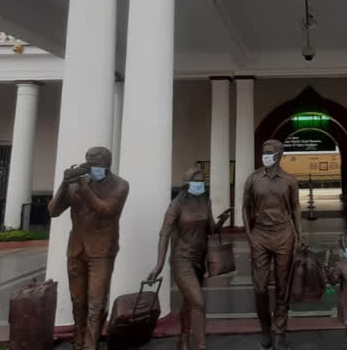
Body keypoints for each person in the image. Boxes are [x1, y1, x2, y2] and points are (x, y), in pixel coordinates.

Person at [48, 146, 129, 350]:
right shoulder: (78, 182)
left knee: (96, 302)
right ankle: (79, 339)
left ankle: (90, 345)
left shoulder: (120, 185)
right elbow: (53, 210)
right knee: (78, 300)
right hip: (76, 248)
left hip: (102, 250)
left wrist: (83, 188)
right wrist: (64, 184)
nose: (94, 169)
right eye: (90, 165)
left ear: (107, 165)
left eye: (98, 166)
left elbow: (106, 210)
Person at [146, 168, 232, 350]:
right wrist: (159, 264)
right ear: (187, 184)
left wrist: (222, 220)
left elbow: (210, 230)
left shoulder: (205, 202)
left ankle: (183, 338)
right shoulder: (176, 205)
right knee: (198, 301)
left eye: (202, 180)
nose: (200, 184)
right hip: (181, 259)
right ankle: (201, 345)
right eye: (196, 181)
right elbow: (164, 233)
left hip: (199, 260)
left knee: (189, 300)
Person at [243, 139, 303, 350]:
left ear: (279, 154)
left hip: (284, 235)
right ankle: (265, 329)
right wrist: (249, 235)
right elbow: (245, 207)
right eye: (263, 151)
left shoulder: (289, 180)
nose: (265, 155)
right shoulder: (253, 179)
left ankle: (279, 333)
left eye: (269, 152)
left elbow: (296, 208)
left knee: (282, 287)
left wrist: (300, 236)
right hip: (260, 234)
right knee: (260, 287)